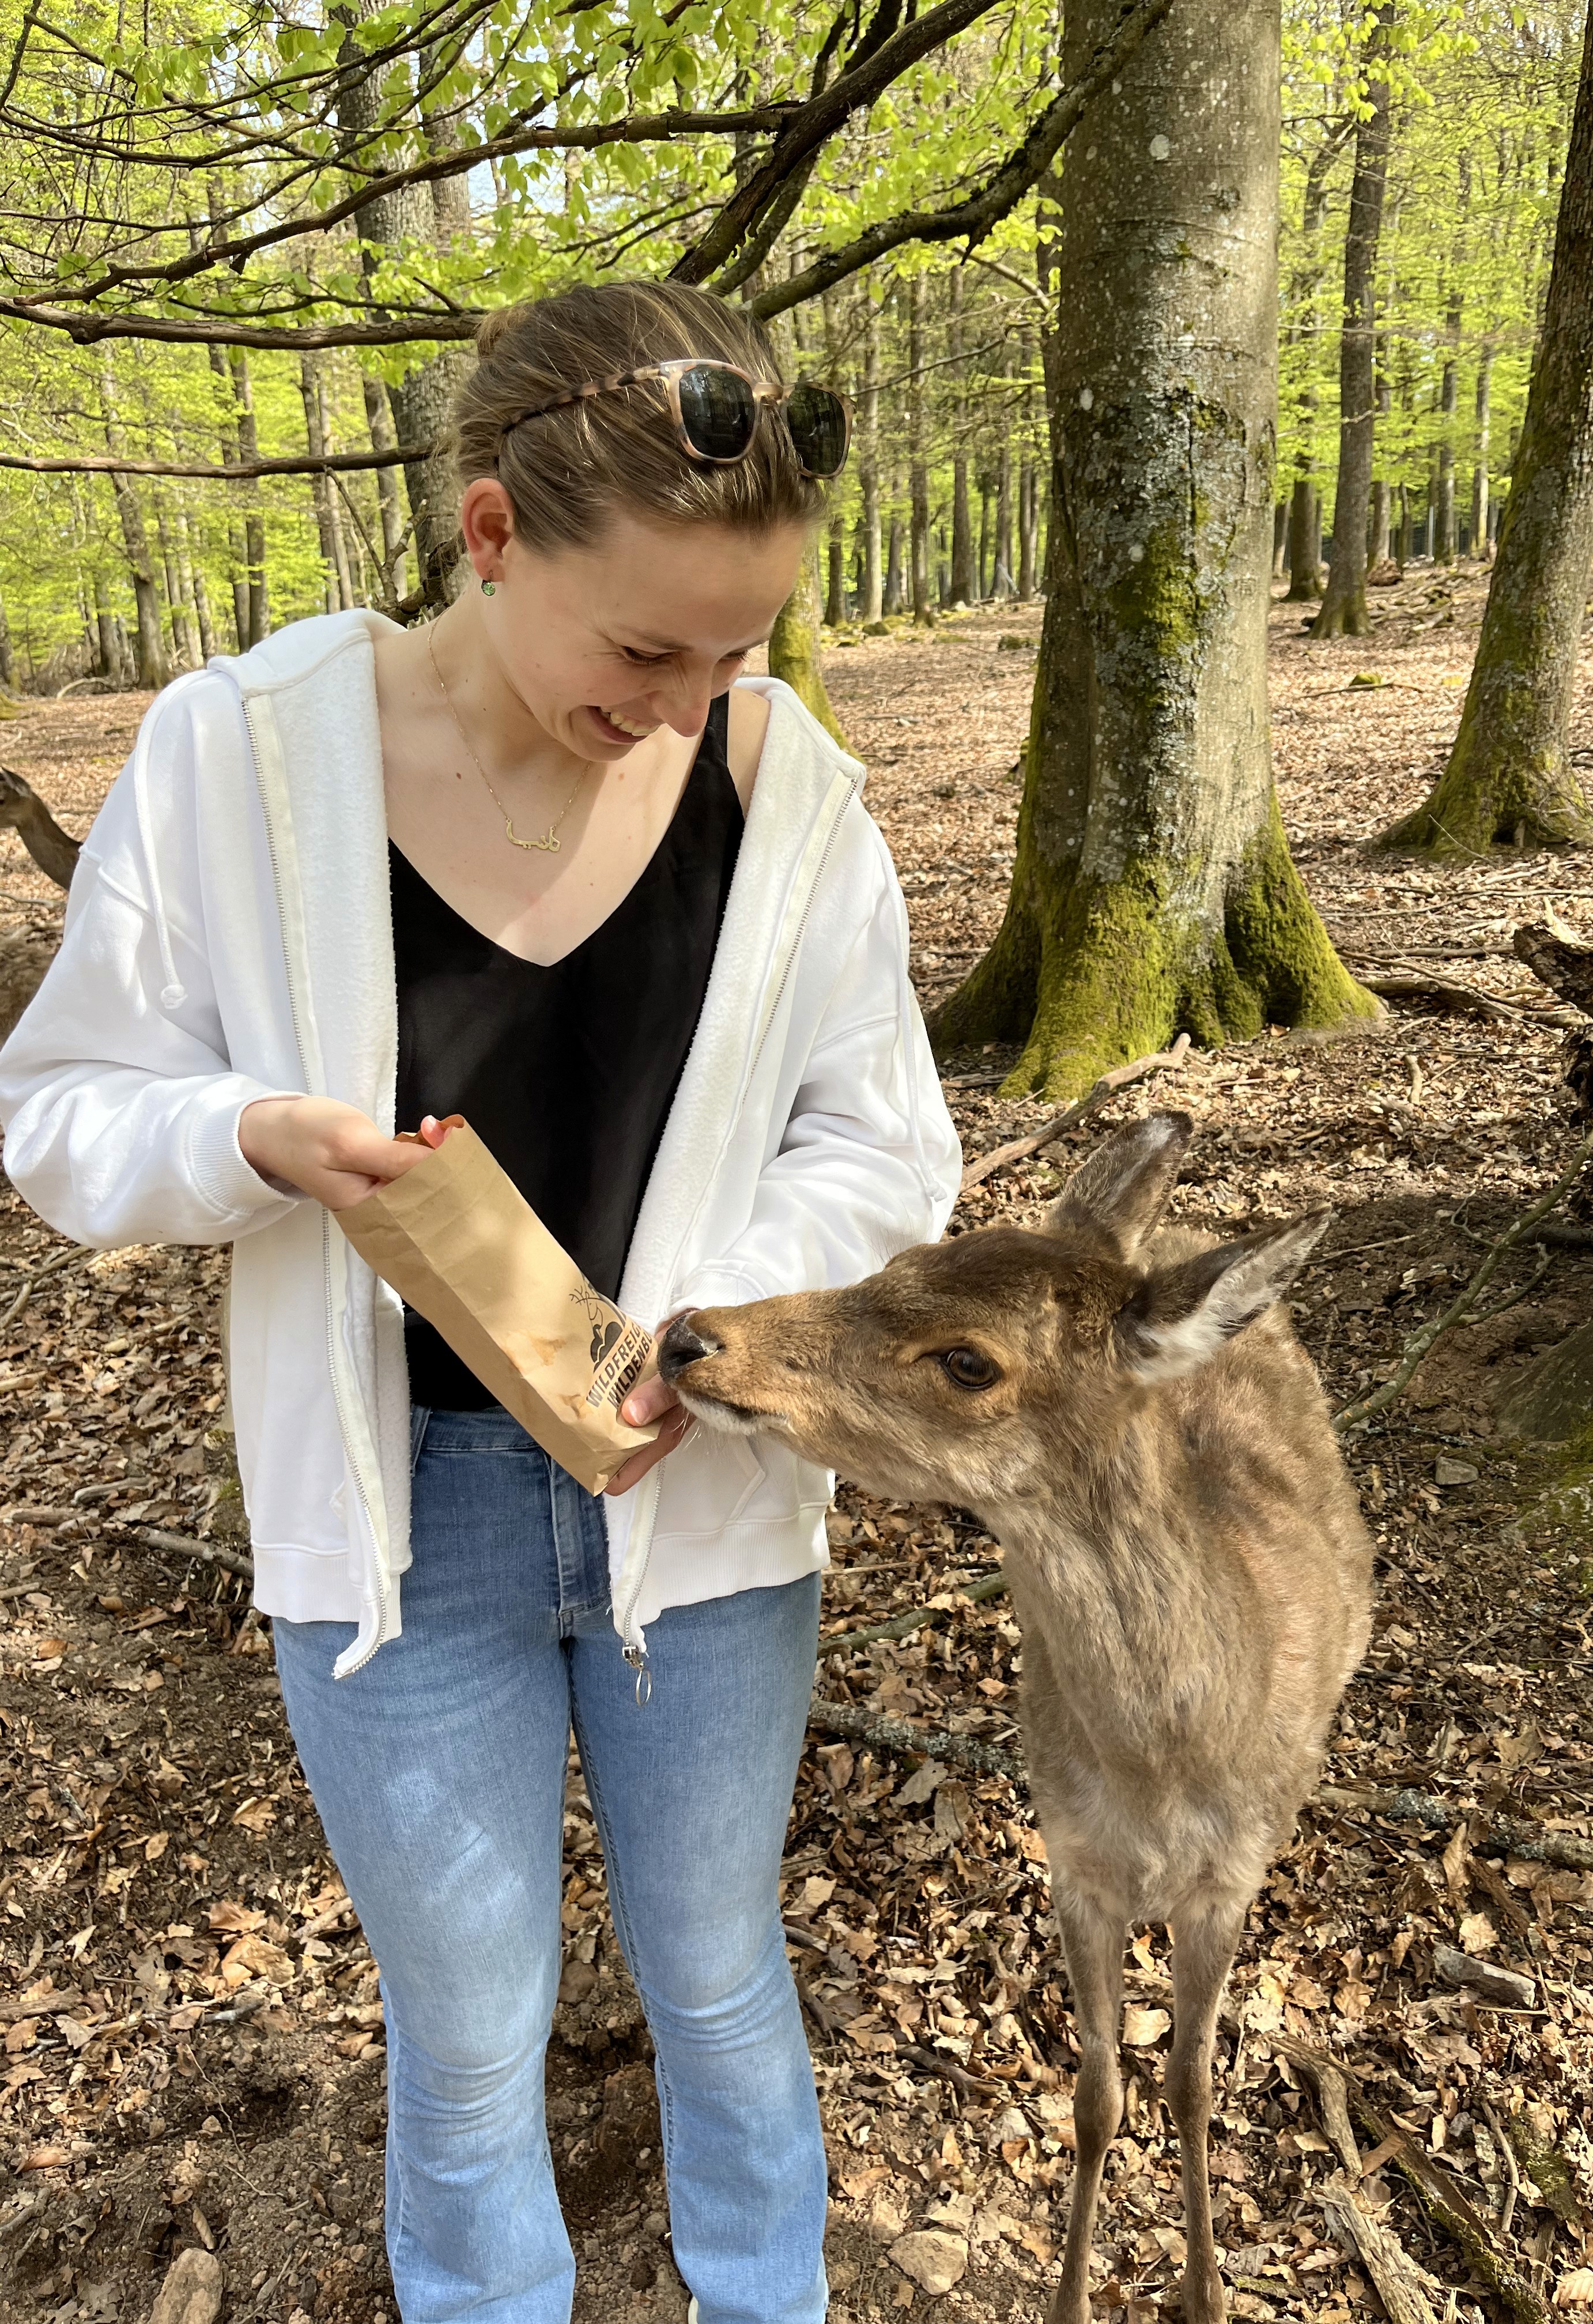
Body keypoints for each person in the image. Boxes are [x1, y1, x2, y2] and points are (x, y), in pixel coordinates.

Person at [0, 280, 960, 2324]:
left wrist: (701, 1320)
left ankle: (761, 2296)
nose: (693, 703)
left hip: (700, 1517)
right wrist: (245, 1139)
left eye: (741, 647)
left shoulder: (796, 801)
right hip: (386, 1537)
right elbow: (64, 1106)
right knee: (463, 2028)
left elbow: (887, 1143)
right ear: (492, 528)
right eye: (643, 646)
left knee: (714, 1973)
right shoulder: (236, 757)